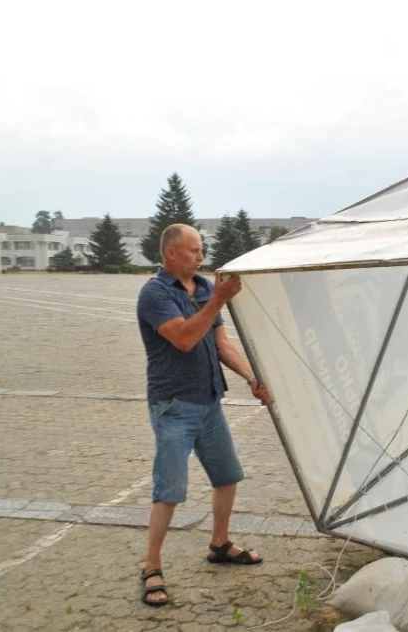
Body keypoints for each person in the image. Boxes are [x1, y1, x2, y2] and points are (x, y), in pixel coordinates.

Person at [136, 223, 270, 606]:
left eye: (201, 250)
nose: (201, 257)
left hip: (209, 400)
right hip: (174, 405)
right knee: (170, 490)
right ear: (172, 253)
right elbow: (183, 338)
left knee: (228, 475)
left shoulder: (207, 290)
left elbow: (218, 341)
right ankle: (151, 566)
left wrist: (250, 376)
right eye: (193, 250)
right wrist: (219, 301)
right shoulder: (155, 294)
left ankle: (219, 543)